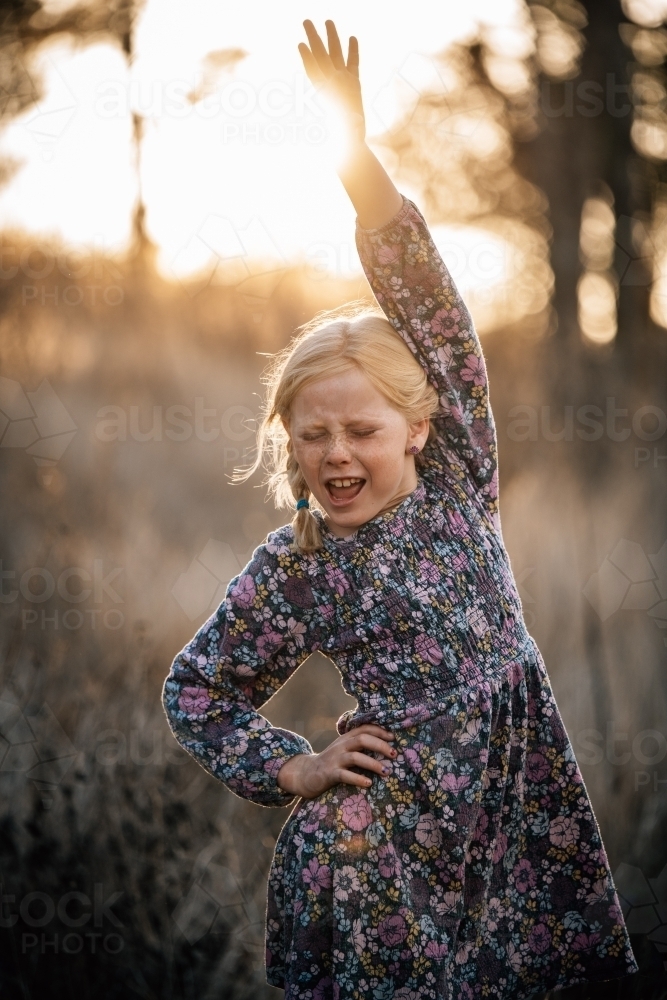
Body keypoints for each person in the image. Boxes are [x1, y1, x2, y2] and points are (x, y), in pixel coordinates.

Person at [162, 20, 638, 999]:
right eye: (312, 433)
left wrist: (355, 156)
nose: (336, 453)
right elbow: (197, 690)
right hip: (387, 862)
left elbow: (430, 301)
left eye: (362, 431)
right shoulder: (300, 563)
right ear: (288, 439)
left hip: (518, 828)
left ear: (420, 427)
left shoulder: (460, 474)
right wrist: (295, 768)